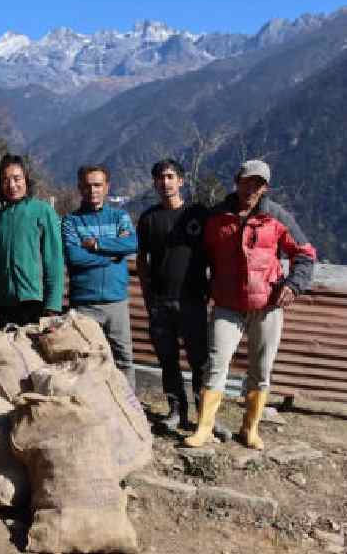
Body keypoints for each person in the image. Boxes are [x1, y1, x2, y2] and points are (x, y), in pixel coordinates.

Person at [185, 160, 316, 449]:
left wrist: (294, 284)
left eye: (258, 184)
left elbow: (305, 254)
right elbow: (199, 258)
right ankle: (204, 429)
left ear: (265, 188)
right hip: (227, 304)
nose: (251, 188)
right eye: (247, 181)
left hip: (267, 304)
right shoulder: (216, 217)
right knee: (216, 364)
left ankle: (250, 429)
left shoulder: (277, 216)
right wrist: (202, 289)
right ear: (237, 181)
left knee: (261, 370)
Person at [137, 159, 214, 432]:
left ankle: (205, 415)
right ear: (155, 183)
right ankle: (176, 411)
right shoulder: (148, 218)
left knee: (200, 362)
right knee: (168, 361)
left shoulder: (198, 215)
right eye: (160, 178)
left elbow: (214, 254)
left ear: (181, 181)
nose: (165, 182)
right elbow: (142, 260)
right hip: (160, 302)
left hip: (193, 300)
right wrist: (147, 296)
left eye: (170, 177)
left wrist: (212, 289)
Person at [62, 165, 138, 389]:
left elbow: (131, 243)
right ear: (80, 188)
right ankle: (90, 405)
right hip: (84, 304)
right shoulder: (71, 221)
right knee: (84, 360)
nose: (93, 190)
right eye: (87, 185)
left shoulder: (119, 216)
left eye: (97, 185)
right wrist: (112, 256)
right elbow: (74, 257)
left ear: (107, 187)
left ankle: (128, 405)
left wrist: (97, 245)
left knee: (123, 359)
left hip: (116, 302)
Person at [0, 154, 64, 326]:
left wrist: (53, 305)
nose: (12, 185)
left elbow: (54, 261)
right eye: (5, 180)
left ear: (26, 179)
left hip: (35, 301)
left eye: (16, 178)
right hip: (4, 303)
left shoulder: (42, 211)